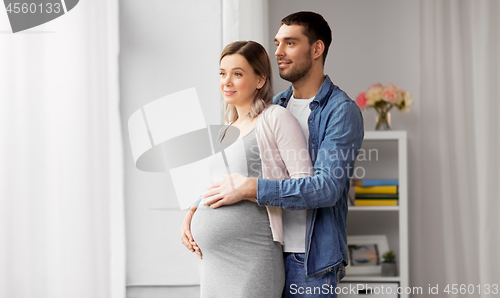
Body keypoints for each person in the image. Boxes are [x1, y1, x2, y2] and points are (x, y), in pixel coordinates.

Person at [183, 11, 364, 297]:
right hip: (266, 248)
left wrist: (252, 188)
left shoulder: (340, 111)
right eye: (277, 43)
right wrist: (196, 208)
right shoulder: (275, 106)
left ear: (317, 49)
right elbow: (242, 172)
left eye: (290, 43)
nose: (278, 51)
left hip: (308, 259)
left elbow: (327, 188)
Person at [187, 40, 314, 298]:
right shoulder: (226, 130)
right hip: (214, 265)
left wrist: (250, 189)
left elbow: (306, 185)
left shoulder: (275, 118)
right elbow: (222, 184)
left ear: (260, 80)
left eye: (237, 74)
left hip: (252, 257)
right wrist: (192, 212)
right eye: (222, 74)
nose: (227, 82)